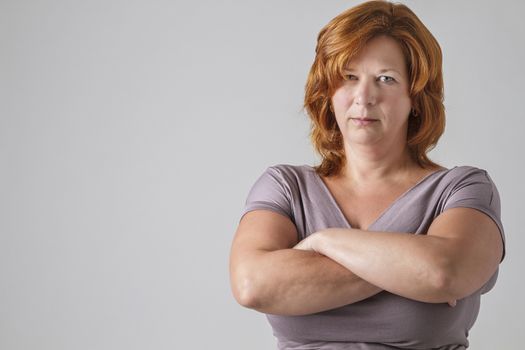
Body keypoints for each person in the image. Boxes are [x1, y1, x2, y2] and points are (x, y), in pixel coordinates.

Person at [229, 1, 505, 349]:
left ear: (416, 97)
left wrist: (322, 242)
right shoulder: (286, 188)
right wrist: (410, 267)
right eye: (348, 77)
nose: (364, 97)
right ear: (328, 92)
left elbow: (441, 272)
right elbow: (253, 284)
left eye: (386, 79)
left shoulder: (461, 189)